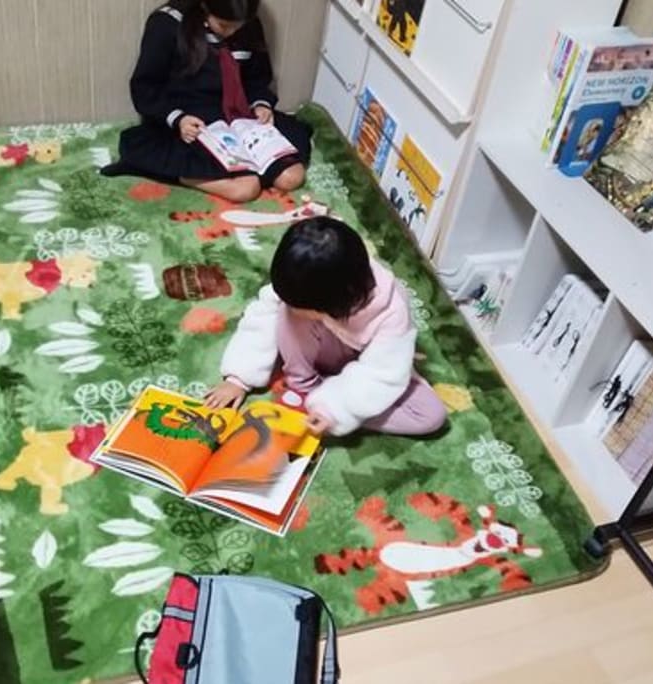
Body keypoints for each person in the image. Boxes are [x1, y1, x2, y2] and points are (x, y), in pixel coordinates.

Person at [205, 216, 447, 437]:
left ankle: (321, 397)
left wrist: (334, 411)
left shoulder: (391, 310)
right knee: (285, 312)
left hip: (363, 361)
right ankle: (303, 384)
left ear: (334, 303)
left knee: (430, 417)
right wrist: (238, 378)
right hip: (317, 353)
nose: (293, 306)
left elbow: (381, 372)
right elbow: (261, 318)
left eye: (303, 306)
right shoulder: (304, 277)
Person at [104, 0, 312, 203]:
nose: (232, 32)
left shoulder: (248, 23)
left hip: (239, 117)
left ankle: (248, 168)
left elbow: (257, 78)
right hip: (192, 121)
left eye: (239, 26)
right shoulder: (167, 23)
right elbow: (145, 87)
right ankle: (178, 173)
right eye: (224, 25)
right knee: (246, 189)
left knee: (292, 177)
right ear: (204, 6)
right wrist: (179, 119)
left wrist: (261, 104)